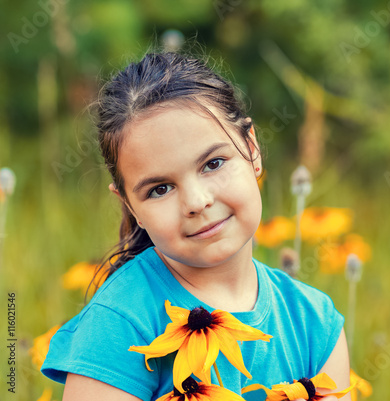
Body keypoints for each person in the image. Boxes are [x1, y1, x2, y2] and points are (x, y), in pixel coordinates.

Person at [41, 52, 351, 401]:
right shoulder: (119, 323)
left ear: (252, 150)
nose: (196, 201)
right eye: (160, 189)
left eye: (213, 163)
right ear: (130, 205)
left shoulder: (314, 324)